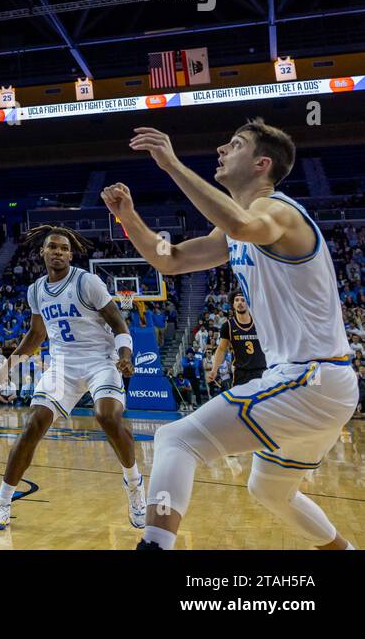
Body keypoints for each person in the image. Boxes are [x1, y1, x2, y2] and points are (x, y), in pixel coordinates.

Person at [103, 120, 357, 550]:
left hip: (309, 379)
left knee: (175, 439)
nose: (221, 148)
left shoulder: (279, 211)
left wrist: (171, 164)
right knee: (270, 491)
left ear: (262, 164)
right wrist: (129, 218)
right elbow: (172, 259)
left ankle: (153, 546)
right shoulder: (236, 230)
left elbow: (240, 225)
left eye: (234, 145)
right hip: (320, 385)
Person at [0, 226, 146, 532]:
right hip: (63, 366)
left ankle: (135, 486)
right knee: (34, 423)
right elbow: (36, 335)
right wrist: (8, 366)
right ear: (42, 252)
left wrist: (125, 356)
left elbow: (120, 324)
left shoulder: (87, 281)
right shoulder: (36, 290)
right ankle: (3, 503)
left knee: (107, 417)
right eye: (52, 247)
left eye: (63, 248)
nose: (57, 252)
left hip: (100, 360)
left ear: (71, 254)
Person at [208, 291, 266, 391]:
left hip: (262, 371)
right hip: (241, 373)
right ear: (233, 304)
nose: (240, 302)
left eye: (243, 300)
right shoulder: (228, 326)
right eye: (237, 300)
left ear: (248, 303)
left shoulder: (260, 323)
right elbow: (222, 349)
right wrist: (214, 370)